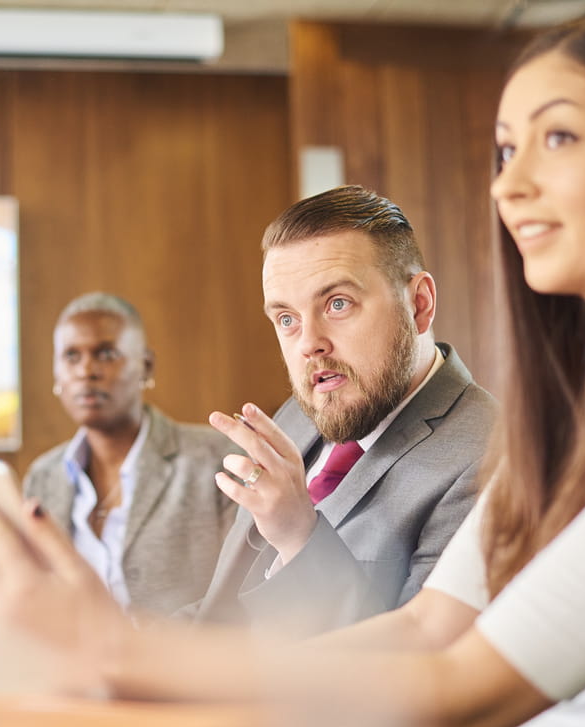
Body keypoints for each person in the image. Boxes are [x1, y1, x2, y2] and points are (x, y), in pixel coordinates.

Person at [0, 12, 585, 727]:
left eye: (557, 137)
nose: (510, 184)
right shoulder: (583, 411)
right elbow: (422, 632)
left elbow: (457, 695)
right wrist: (131, 680)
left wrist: (121, 654)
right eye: (505, 149)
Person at [187, 185, 496, 637]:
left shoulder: (492, 458)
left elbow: (418, 678)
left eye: (337, 304)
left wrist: (298, 537)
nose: (309, 343)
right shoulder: (300, 412)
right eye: (286, 319)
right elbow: (220, 617)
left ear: (419, 305)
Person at [24, 293, 237, 615]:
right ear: (56, 372)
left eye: (106, 354)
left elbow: (241, 593)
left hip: (183, 661)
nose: (86, 371)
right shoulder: (42, 477)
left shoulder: (216, 461)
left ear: (146, 366)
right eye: (71, 356)